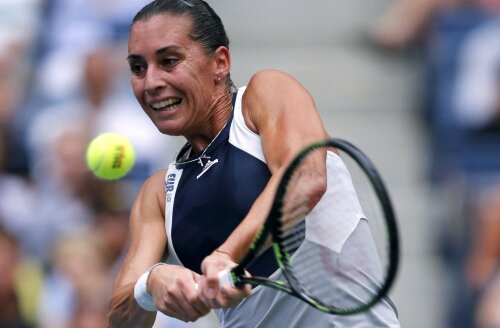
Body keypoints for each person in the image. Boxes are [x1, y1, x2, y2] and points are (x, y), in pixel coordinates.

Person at [107, 1, 400, 327]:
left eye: (169, 61)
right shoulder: (158, 195)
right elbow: (122, 319)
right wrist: (151, 284)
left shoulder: (266, 94)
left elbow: (306, 178)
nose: (150, 83)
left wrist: (227, 255)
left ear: (220, 62)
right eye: (138, 68)